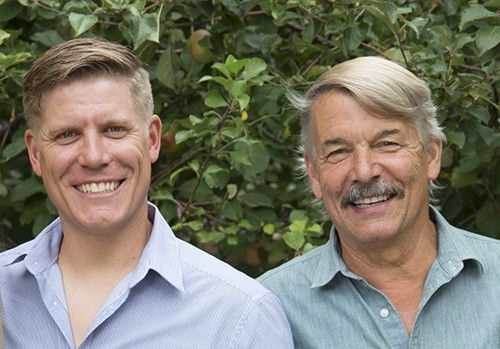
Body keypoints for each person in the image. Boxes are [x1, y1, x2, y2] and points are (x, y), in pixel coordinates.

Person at [0, 38, 293, 348]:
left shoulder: (241, 316)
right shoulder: (4, 294)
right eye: (67, 134)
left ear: (152, 140)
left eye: (114, 129)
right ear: (35, 154)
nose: (94, 156)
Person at [258, 56, 500, 348]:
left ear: (432, 156)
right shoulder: (270, 308)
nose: (363, 171)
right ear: (314, 174)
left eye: (387, 144)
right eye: (338, 152)